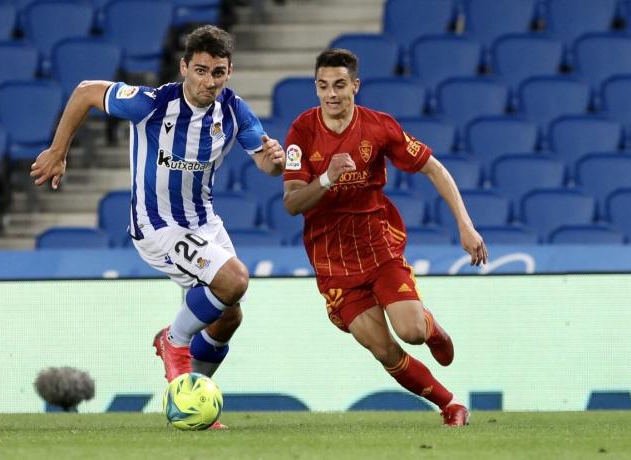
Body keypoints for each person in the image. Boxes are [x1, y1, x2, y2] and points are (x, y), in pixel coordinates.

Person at [31, 25, 285, 428]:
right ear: (184, 67)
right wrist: (58, 151)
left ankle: (188, 401)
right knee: (234, 281)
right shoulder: (151, 103)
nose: (209, 80)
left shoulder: (234, 111)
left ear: (229, 72)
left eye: (218, 72)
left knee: (228, 317)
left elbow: (267, 166)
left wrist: (276, 159)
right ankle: (173, 340)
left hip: (204, 223)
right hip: (157, 226)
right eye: (200, 70)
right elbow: (83, 92)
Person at [282, 49, 488, 426]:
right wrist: (327, 178)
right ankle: (450, 406)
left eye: (340, 85)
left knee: (409, 332)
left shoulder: (378, 127)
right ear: (316, 88)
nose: (332, 94)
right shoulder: (302, 130)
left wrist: (465, 224)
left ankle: (428, 326)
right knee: (383, 349)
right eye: (324, 86)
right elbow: (292, 203)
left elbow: (434, 168)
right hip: (332, 259)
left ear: (355, 86)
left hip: (377, 245)